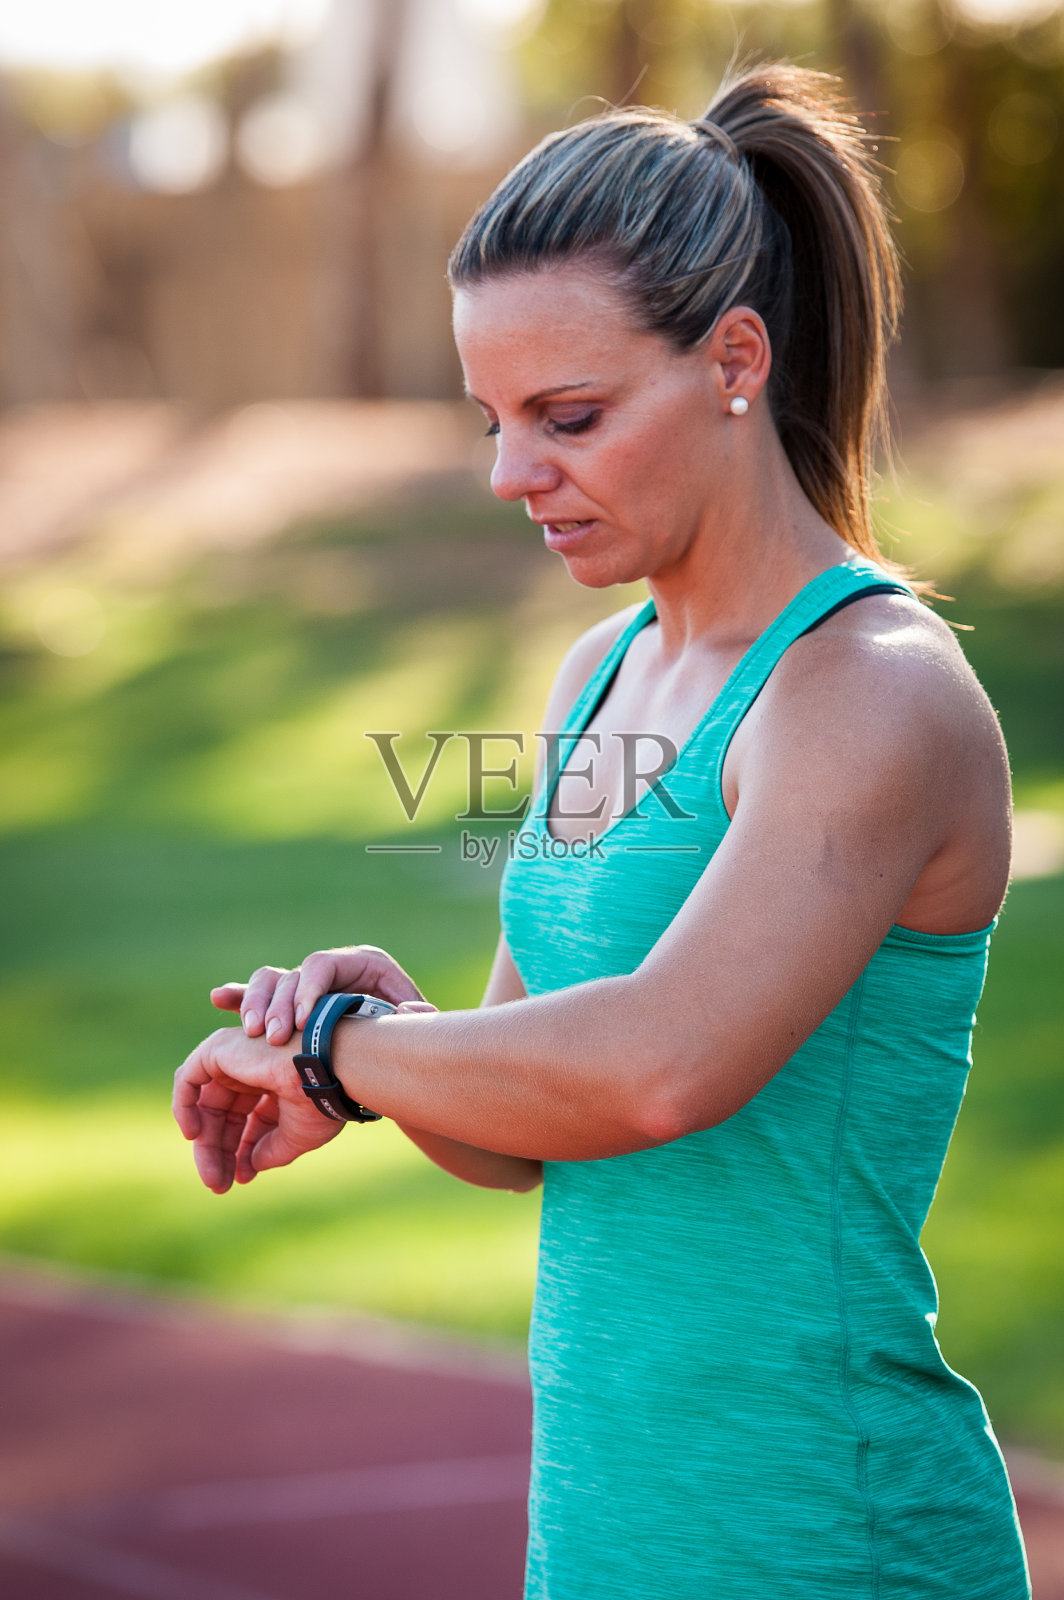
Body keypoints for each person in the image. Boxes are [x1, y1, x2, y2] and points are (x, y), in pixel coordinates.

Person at [173, 62, 1031, 1600]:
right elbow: (520, 1129)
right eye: (496, 419)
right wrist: (390, 1032)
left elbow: (658, 1065)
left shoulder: (870, 694)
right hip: (609, 1536)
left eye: (569, 416)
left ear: (735, 361)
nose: (514, 475)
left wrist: (337, 1053)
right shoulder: (600, 673)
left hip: (826, 1541)